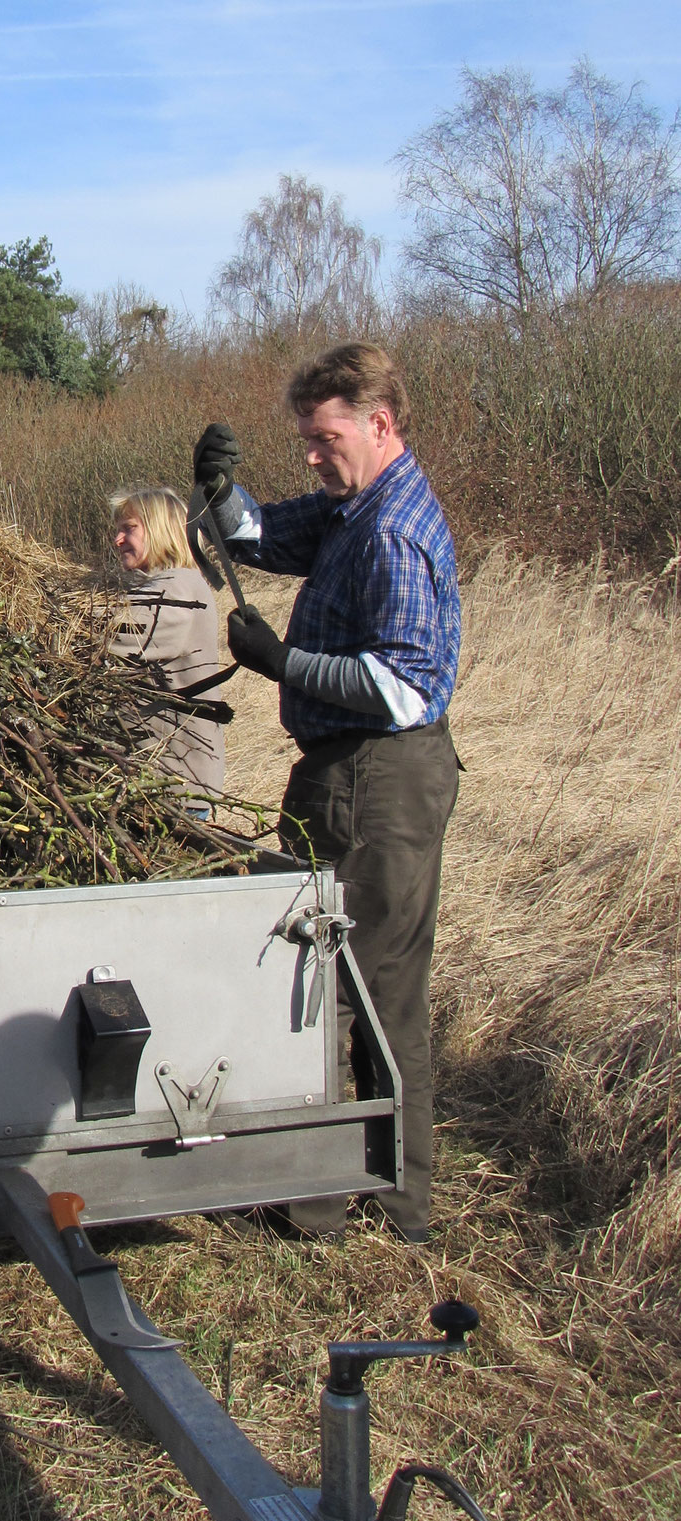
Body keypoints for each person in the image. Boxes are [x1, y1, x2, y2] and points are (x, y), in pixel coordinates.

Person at [192, 342, 460, 1244]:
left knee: (334, 981)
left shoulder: (392, 530)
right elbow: (259, 537)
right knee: (372, 984)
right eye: (304, 437)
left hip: (375, 779)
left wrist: (286, 663)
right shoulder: (353, 509)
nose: (311, 452)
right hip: (348, 775)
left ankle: (316, 1209)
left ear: (378, 424)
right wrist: (221, 489)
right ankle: (391, 1201)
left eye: (324, 435)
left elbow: (410, 688)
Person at [109, 486, 227, 812]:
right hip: (155, 782)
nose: (118, 540)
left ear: (160, 528)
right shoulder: (153, 585)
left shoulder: (179, 586)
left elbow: (117, 636)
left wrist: (38, 608)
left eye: (129, 528)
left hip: (177, 785)